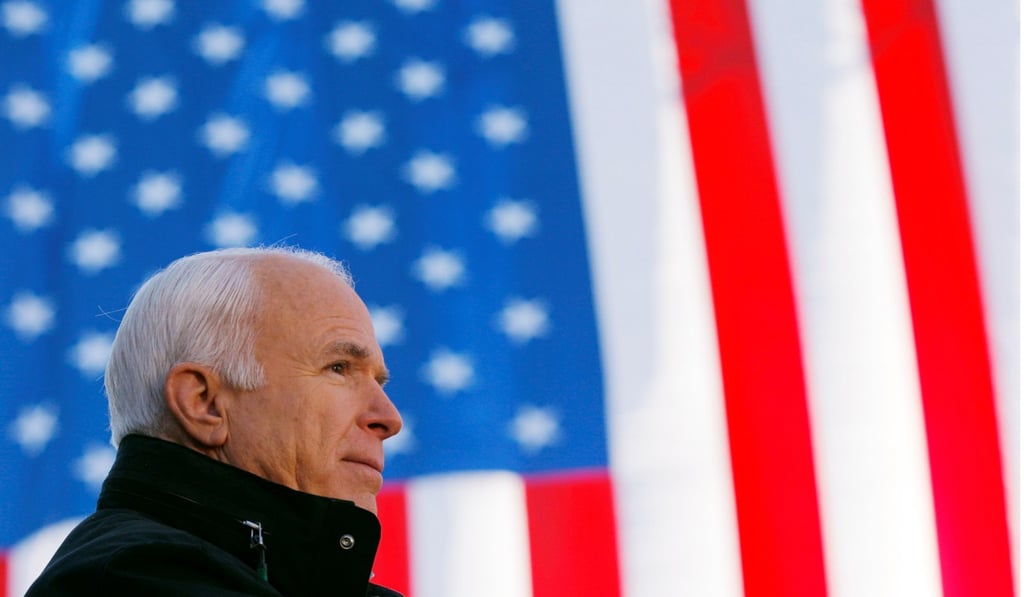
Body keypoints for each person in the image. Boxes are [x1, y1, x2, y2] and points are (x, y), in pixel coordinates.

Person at [27, 247, 404, 596]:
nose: (389, 419)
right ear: (203, 403)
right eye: (338, 368)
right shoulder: (132, 580)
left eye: (378, 381)